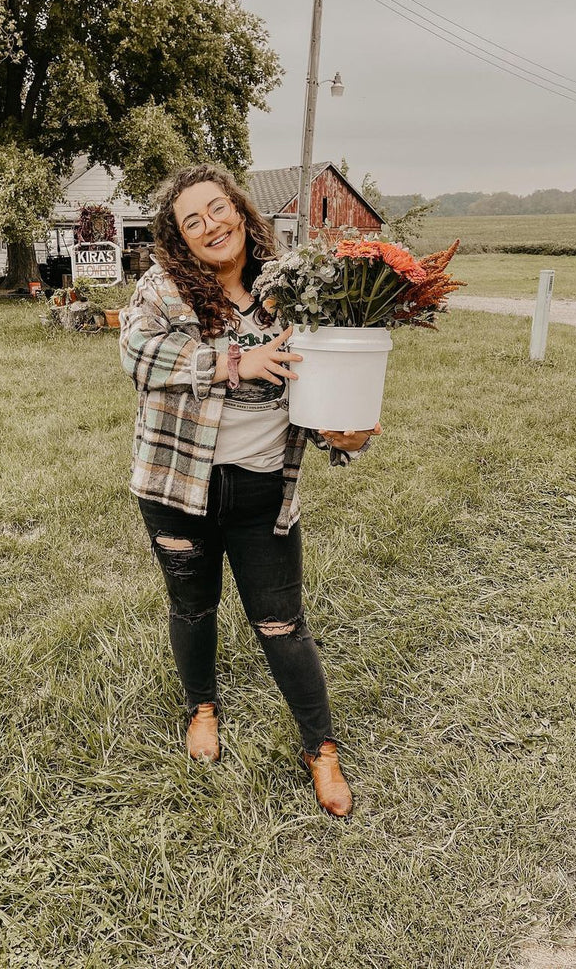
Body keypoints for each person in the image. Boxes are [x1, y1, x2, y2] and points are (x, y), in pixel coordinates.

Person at [119, 164, 381, 816]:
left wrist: (344, 438)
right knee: (192, 607)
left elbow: (316, 386)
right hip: (178, 489)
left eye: (218, 208)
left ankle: (320, 750)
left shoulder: (290, 290)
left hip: (263, 491)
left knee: (281, 624)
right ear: (179, 238)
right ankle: (201, 708)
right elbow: (138, 357)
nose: (211, 225)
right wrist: (233, 361)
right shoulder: (163, 289)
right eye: (192, 220)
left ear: (240, 209)